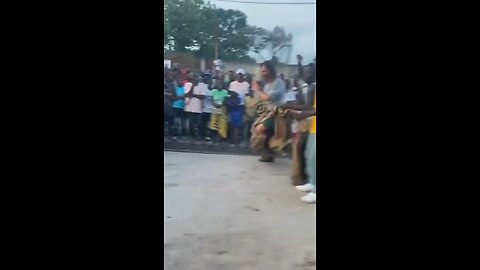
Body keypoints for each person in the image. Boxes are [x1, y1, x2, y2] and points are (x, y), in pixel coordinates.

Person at [251, 61, 287, 162]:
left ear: (271, 71)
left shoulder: (278, 82)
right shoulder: (267, 85)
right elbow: (263, 100)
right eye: (262, 72)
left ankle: (269, 152)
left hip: (278, 113)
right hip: (269, 112)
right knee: (265, 132)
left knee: (260, 129)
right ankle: (268, 154)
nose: (263, 74)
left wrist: (256, 90)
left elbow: (268, 98)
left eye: (264, 71)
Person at [296, 88, 316, 204]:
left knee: (315, 158)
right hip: (314, 127)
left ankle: (315, 192)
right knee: (309, 155)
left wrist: (304, 114)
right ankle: (312, 183)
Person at [200, 74, 213, 140]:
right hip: (204, 109)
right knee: (203, 124)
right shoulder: (203, 88)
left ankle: (209, 135)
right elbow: (202, 98)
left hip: (211, 110)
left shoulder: (213, 90)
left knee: (210, 124)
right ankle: (202, 135)